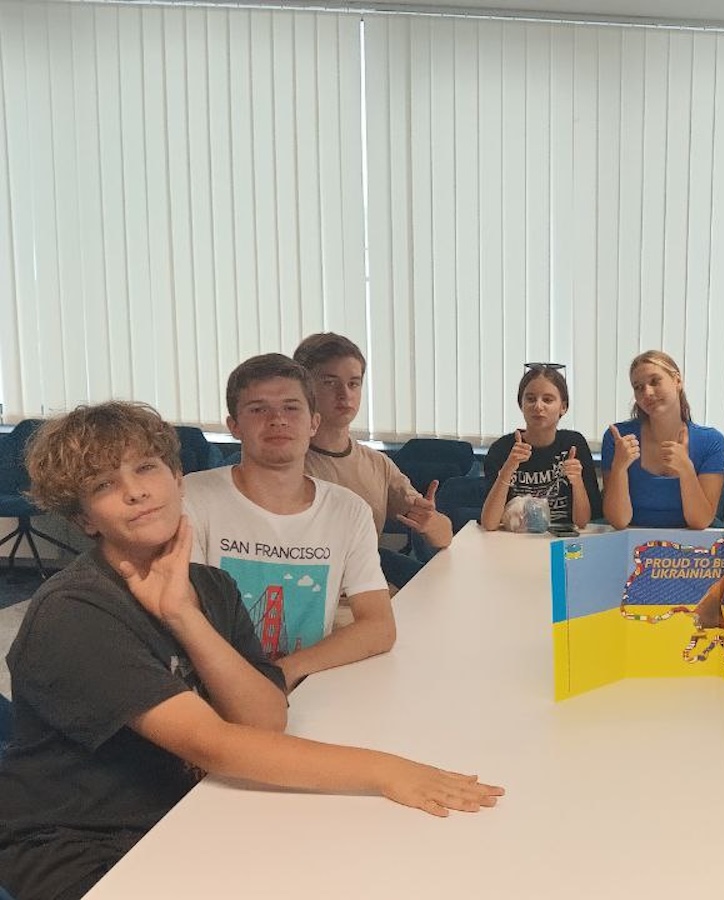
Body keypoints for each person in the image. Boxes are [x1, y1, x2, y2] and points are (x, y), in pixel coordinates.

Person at [0, 403, 502, 900]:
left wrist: (184, 616)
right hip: (84, 844)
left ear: (178, 479)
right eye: (103, 485)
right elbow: (212, 743)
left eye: (146, 467)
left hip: (187, 809)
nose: (135, 491)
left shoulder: (211, 588)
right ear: (84, 519)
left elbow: (263, 719)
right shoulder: (76, 611)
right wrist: (386, 771)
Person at [184, 353, 393, 691]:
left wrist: (280, 674)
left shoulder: (348, 510)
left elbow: (379, 626)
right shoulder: (193, 497)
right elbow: (185, 615)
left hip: (305, 687)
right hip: (213, 690)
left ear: (314, 422)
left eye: (291, 408)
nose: (277, 419)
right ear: (233, 425)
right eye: (258, 409)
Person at [292, 333, 453, 589]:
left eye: (354, 384)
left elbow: (444, 535)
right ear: (303, 388)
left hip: (364, 592)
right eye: (330, 382)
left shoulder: (377, 464)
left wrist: (429, 521)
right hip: (305, 590)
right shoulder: (284, 463)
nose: (345, 394)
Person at [600, 350, 724, 529]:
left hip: (690, 550)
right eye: (638, 387)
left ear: (677, 381)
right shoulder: (619, 438)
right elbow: (618, 521)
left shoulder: (711, 441)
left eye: (654, 381)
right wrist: (619, 469)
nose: (647, 393)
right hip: (632, 545)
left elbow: (700, 522)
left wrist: (686, 470)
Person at [480, 364, 601, 531]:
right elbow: (489, 523)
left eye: (548, 400)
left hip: (560, 536)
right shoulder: (502, 448)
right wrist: (508, 469)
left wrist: (577, 481)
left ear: (563, 407)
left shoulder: (573, 444)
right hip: (514, 540)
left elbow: (581, 522)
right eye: (530, 399)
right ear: (521, 405)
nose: (538, 406)